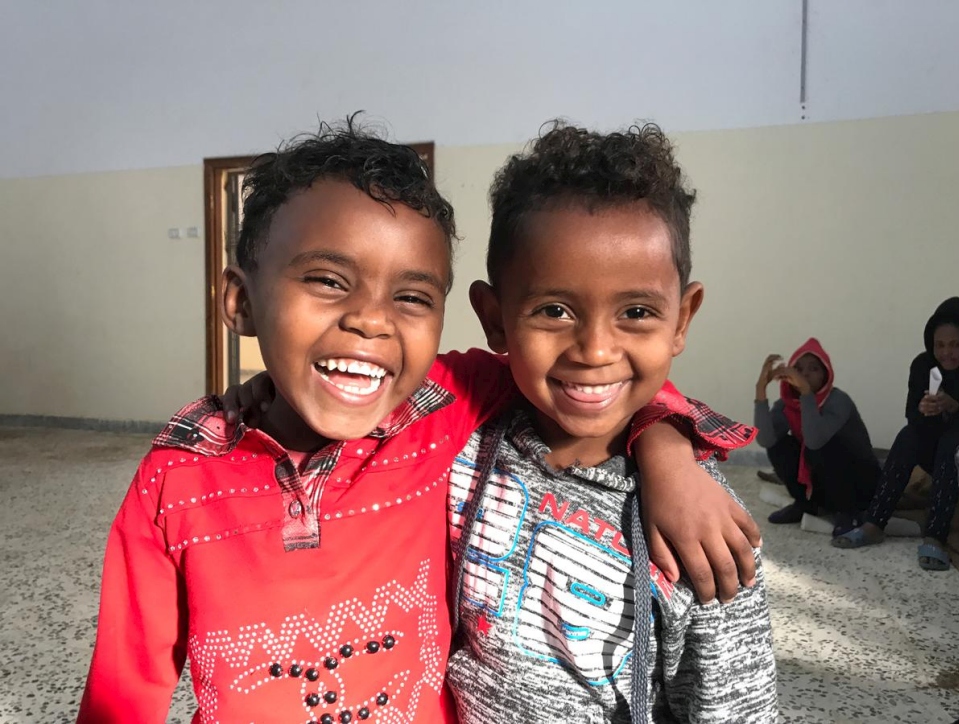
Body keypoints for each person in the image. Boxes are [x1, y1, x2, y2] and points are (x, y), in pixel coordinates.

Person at [77, 119, 759, 724]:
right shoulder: (176, 476)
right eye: (327, 280)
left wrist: (667, 450)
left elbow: (596, 382)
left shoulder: (439, 409)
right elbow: (123, 691)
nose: (372, 320)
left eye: (410, 296)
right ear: (240, 300)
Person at [447, 122, 776, 722]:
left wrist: (668, 452)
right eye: (553, 310)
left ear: (682, 318)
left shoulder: (703, 526)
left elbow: (735, 707)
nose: (595, 350)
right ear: (494, 319)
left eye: (637, 312)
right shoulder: (460, 444)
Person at [833, 297, 959, 571]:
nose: (947, 353)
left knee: (952, 443)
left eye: (956, 345)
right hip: (934, 446)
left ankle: (935, 536)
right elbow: (912, 417)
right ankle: (874, 523)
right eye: (940, 345)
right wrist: (923, 409)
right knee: (908, 436)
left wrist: (955, 408)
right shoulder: (922, 365)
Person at [753, 338, 880, 537]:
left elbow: (814, 439)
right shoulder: (787, 405)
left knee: (823, 445)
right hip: (824, 484)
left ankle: (847, 513)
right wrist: (760, 390)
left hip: (859, 485)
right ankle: (805, 505)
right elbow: (766, 440)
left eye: (814, 369)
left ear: (825, 375)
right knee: (780, 445)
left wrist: (806, 394)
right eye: (799, 369)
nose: (805, 375)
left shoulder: (838, 400)